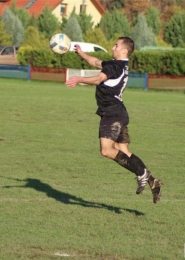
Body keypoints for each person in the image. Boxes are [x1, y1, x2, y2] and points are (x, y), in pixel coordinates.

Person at [65, 37, 163, 203]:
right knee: (123, 151)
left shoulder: (114, 66)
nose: (113, 47)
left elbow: (98, 79)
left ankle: (142, 173)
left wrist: (79, 79)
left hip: (112, 114)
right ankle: (153, 182)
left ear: (124, 50)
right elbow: (96, 62)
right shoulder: (119, 65)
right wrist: (81, 53)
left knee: (106, 150)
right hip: (120, 113)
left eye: (116, 45)